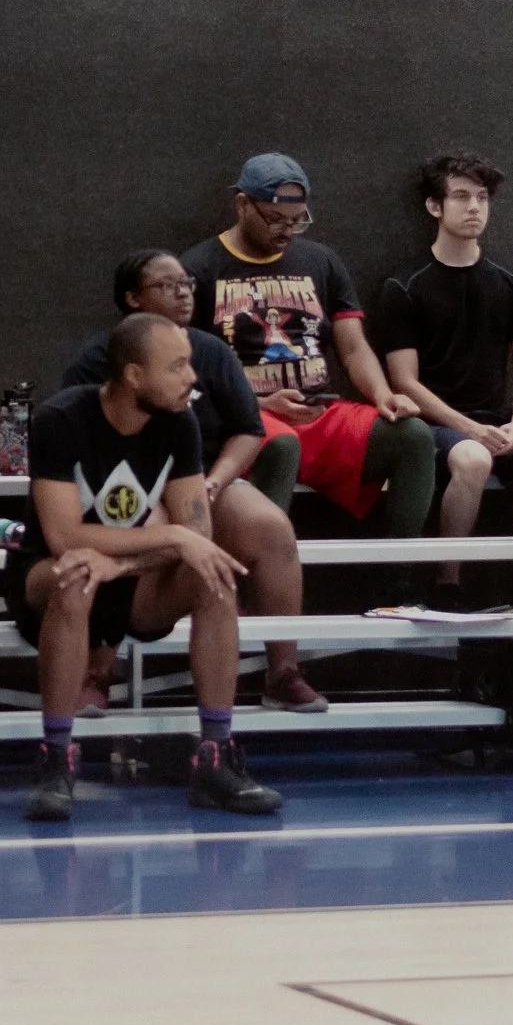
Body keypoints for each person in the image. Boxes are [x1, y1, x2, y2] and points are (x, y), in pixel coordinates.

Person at [19, 314, 283, 822]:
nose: (192, 378)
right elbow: (64, 536)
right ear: (135, 375)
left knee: (215, 574)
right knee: (75, 574)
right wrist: (172, 536)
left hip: (134, 580)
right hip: (48, 578)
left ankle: (215, 755)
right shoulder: (61, 419)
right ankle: (56, 759)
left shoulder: (179, 424)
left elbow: (198, 535)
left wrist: (129, 562)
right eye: (178, 366)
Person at [61, 251, 320, 714]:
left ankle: (283, 672)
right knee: (135, 529)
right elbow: (77, 437)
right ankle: (97, 672)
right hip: (127, 486)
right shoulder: (96, 358)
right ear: (132, 298)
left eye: (187, 284)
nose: (183, 293)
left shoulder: (211, 350)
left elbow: (249, 428)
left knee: (271, 528)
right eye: (167, 285)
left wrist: (216, 483)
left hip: (203, 480)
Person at [178, 153, 434, 551]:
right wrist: (261, 401)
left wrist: (384, 396)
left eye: (298, 220)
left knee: (412, 436)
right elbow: (186, 369)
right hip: (248, 420)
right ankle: (258, 582)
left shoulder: (321, 261)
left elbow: (352, 346)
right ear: (242, 204)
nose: (287, 231)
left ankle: (399, 580)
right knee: (281, 445)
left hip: (318, 412)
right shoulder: (200, 268)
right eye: (276, 219)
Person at [374, 152, 513, 605]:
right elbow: (404, 382)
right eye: (461, 196)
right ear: (434, 207)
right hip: (439, 427)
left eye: (482, 197)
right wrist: (468, 429)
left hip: (500, 423)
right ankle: (448, 582)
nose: (474, 207)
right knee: (473, 461)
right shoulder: (403, 286)